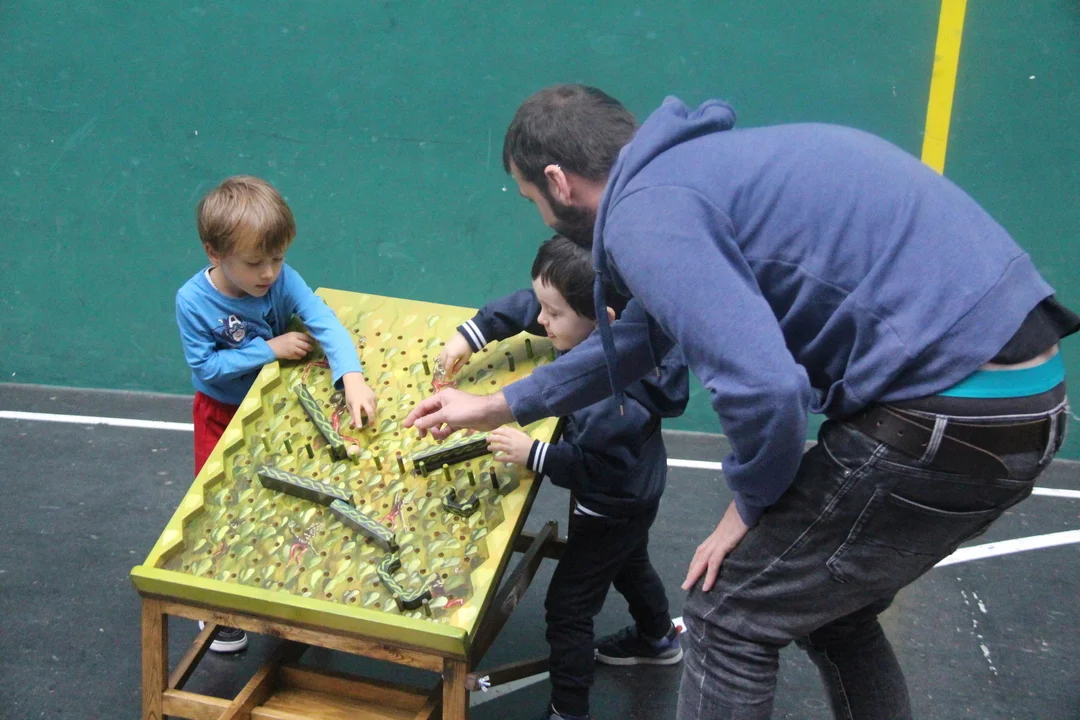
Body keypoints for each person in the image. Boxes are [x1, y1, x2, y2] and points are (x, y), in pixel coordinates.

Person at [406, 85, 1078, 719]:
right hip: (1022, 396)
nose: (542, 213)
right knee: (833, 613)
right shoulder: (694, 174)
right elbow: (641, 335)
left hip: (946, 410)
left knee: (726, 612)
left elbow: (767, 390)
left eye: (532, 198)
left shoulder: (645, 215)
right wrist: (497, 406)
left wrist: (750, 504)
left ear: (558, 182)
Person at [440, 235, 688, 720]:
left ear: (604, 321)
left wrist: (535, 453)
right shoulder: (610, 317)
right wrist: (473, 333)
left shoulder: (609, 403)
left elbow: (598, 467)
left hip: (610, 503)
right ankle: (658, 638)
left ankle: (569, 710)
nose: (540, 321)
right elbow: (533, 304)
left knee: (569, 608)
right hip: (636, 493)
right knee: (629, 561)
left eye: (553, 314)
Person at [176, 175, 377, 652]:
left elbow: (324, 321)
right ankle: (215, 605)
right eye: (254, 263)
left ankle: (276, 585)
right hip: (220, 412)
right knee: (219, 505)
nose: (269, 273)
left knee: (279, 499)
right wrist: (269, 349)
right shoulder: (192, 301)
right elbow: (207, 367)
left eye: (278, 258)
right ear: (214, 253)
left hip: (273, 406)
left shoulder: (282, 278)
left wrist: (351, 375)